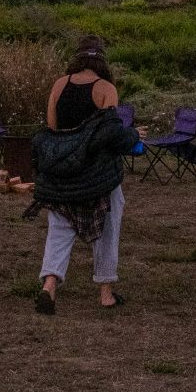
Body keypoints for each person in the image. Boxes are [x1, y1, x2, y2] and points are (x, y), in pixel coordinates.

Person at [27, 36, 135, 314]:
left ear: (76, 58)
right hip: (97, 177)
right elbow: (109, 134)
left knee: (59, 230)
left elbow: (54, 128)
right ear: (102, 60)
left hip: (61, 175)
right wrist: (132, 136)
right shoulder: (105, 89)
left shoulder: (59, 85)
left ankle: (49, 286)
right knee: (108, 229)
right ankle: (106, 293)